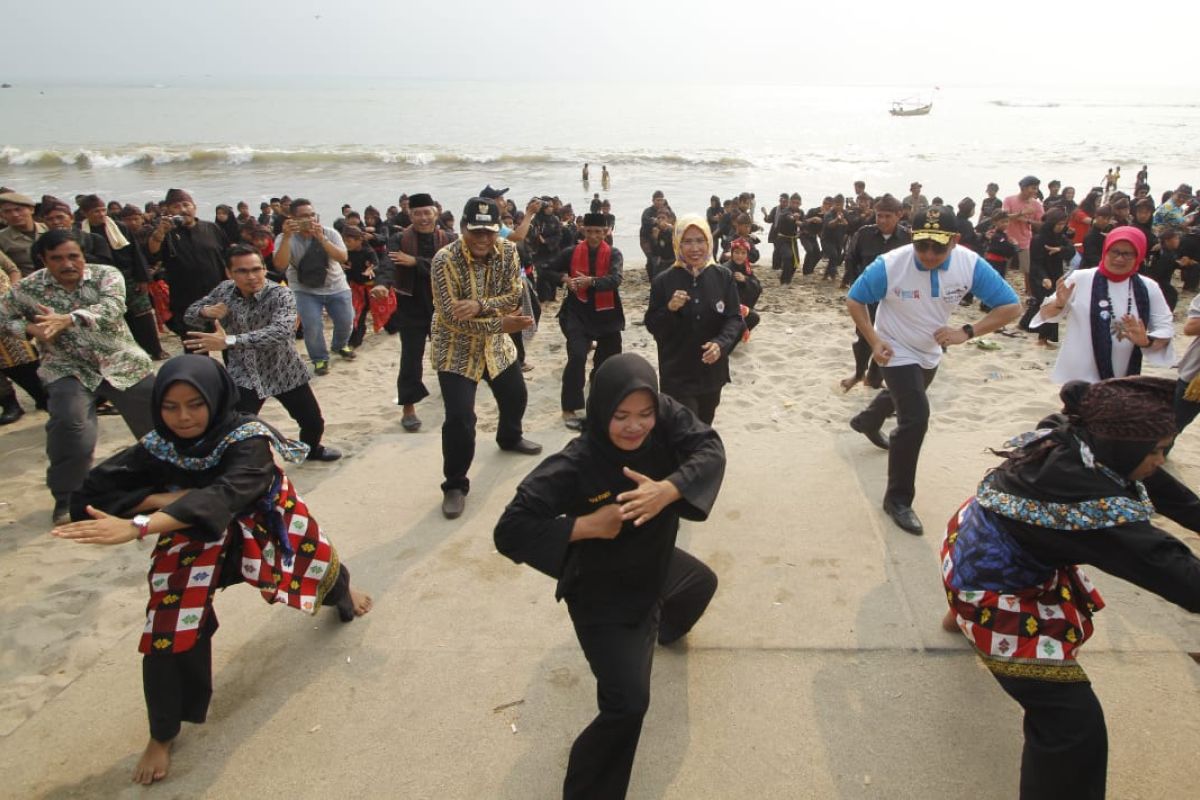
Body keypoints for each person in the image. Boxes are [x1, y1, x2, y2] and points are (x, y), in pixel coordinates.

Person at [51, 355, 371, 785]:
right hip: (191, 531)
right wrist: (159, 500)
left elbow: (230, 492)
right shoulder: (158, 445)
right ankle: (163, 732)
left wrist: (140, 522)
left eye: (195, 404)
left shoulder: (248, 437)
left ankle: (343, 595)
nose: (182, 418)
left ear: (216, 399)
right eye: (170, 407)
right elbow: (89, 497)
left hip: (261, 522)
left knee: (315, 563)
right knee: (167, 624)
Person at [940, 376, 1200, 800]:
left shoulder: (1074, 438)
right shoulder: (1089, 506)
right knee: (1073, 727)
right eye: (1154, 451)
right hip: (985, 592)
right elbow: (1181, 576)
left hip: (963, 538)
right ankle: (971, 625)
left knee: (1039, 557)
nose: (1159, 460)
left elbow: (1166, 492)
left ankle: (958, 621)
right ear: (1125, 448)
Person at [494, 353, 725, 800]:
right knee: (628, 705)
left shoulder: (667, 417)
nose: (635, 426)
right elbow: (509, 530)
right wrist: (585, 526)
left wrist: (668, 489)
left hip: (657, 564)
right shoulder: (576, 462)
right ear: (601, 411)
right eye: (621, 416)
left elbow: (710, 447)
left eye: (644, 414)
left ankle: (664, 627)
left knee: (700, 584)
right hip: (604, 593)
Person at [846, 206, 1021, 535]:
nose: (928, 254)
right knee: (915, 417)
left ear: (954, 241)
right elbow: (855, 299)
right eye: (921, 245)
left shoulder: (970, 264)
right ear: (912, 238)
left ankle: (867, 420)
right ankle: (897, 500)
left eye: (937, 247)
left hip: (931, 349)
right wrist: (874, 340)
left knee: (910, 394)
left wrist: (967, 332)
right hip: (895, 346)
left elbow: (1011, 306)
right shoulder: (890, 265)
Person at [0, 230, 156, 522]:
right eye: (57, 258)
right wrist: (29, 330)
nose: (67, 264)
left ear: (84, 256)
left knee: (160, 427)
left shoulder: (105, 275)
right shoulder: (28, 289)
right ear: (43, 260)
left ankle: (168, 485)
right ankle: (69, 499)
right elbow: (3, 316)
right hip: (67, 368)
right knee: (71, 429)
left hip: (122, 362)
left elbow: (113, 307)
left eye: (74, 256)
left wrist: (68, 319)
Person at [431, 197, 540, 519]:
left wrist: (478, 306)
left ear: (498, 229)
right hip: (455, 348)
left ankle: (509, 437)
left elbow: (514, 296)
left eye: (489, 232)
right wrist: (501, 322)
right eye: (476, 231)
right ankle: (454, 484)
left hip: (495, 345)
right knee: (460, 419)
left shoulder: (508, 250)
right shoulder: (444, 260)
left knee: (516, 396)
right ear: (463, 227)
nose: (482, 238)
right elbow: (450, 317)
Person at [182, 243, 342, 462]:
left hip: (284, 370)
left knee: (312, 422)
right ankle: (233, 464)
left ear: (264, 269)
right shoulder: (223, 291)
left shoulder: (281, 294)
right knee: (234, 427)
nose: (251, 276)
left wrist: (229, 341)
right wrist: (204, 311)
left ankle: (311, 450)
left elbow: (281, 331)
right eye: (242, 271)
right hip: (244, 373)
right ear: (229, 273)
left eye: (256, 269)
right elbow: (189, 315)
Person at [1030, 226, 1173, 384]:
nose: (1119, 259)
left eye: (1127, 254)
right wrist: (1059, 303)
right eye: (1114, 251)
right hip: (1077, 375)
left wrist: (1146, 341)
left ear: (1139, 255)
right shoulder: (1080, 278)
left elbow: (1165, 329)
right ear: (1105, 250)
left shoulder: (1148, 287)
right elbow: (1044, 315)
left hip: (1123, 376)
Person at [645, 215, 745, 425]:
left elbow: (734, 319)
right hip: (677, 372)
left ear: (709, 241)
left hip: (711, 371)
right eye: (687, 241)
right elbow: (653, 324)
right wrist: (669, 309)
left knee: (706, 421)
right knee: (686, 426)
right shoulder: (663, 281)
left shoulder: (723, 276)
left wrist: (720, 344)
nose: (694, 248)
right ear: (677, 243)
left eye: (700, 240)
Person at [374, 193, 457, 431]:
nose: (422, 217)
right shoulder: (399, 238)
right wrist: (382, 284)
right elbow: (388, 264)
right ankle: (408, 407)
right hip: (410, 306)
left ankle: (454, 399)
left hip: (443, 306)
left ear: (436, 213)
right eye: (417, 213)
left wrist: (415, 262)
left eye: (427, 212)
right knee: (410, 358)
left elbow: (452, 267)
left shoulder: (450, 238)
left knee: (448, 355)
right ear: (410, 215)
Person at [544, 212, 625, 430]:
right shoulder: (571, 252)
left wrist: (591, 281)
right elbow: (546, 268)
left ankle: (599, 391)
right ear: (582, 230)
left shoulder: (614, 254)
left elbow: (615, 280)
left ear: (606, 232)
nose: (593, 236)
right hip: (577, 313)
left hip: (606, 314)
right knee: (577, 356)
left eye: (598, 232)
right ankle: (570, 407)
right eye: (589, 231)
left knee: (608, 361)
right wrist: (565, 279)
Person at [272, 198, 353, 375]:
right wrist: (286, 237)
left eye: (312, 215)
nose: (309, 219)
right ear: (292, 218)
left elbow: (342, 257)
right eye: (303, 216)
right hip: (303, 288)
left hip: (336, 284)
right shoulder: (284, 238)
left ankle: (339, 345)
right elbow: (279, 265)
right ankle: (319, 359)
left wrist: (322, 239)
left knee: (346, 321)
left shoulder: (330, 233)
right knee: (312, 325)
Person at [78, 194, 164, 359]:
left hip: (129, 277)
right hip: (100, 282)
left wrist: (143, 278)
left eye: (103, 210)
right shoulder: (81, 233)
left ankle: (155, 351)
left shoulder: (119, 227)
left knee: (143, 316)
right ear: (85, 213)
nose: (101, 214)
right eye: (96, 211)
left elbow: (136, 253)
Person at [840, 195, 911, 391]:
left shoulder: (908, 238)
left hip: (896, 299)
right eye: (879, 215)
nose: (882, 221)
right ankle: (858, 372)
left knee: (889, 339)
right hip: (868, 297)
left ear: (899, 215)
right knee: (863, 337)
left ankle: (874, 377)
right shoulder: (864, 234)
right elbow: (851, 259)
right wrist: (857, 286)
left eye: (887, 216)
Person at [148, 189, 228, 338]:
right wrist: (160, 232)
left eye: (186, 205)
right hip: (186, 301)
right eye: (176, 206)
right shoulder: (165, 233)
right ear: (169, 211)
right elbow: (152, 254)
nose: (183, 210)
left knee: (227, 343)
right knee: (195, 348)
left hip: (219, 296)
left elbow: (227, 258)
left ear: (194, 207)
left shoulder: (212, 228)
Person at [1019, 208, 1072, 348]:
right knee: (1048, 304)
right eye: (1059, 224)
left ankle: (1026, 324)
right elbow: (1035, 262)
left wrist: (1060, 249)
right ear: (1051, 223)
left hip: (1056, 275)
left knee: (1047, 303)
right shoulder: (1038, 239)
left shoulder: (1061, 237)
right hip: (1040, 276)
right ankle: (1042, 339)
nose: (1061, 227)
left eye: (1063, 224)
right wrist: (1044, 278)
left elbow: (1071, 251)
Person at [0, 265, 46, 423]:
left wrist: (9, 294)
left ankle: (43, 396)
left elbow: (12, 269)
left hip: (4, 307)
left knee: (18, 355)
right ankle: (9, 404)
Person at [1002, 176, 1045, 298]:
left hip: (1025, 240)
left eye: (1036, 188)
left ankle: (1030, 293)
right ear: (1024, 188)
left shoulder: (1036, 204)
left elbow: (1042, 224)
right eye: (1033, 188)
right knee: (1003, 267)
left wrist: (1027, 221)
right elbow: (1003, 217)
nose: (1035, 191)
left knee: (1027, 270)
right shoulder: (1009, 200)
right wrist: (1022, 213)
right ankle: (1000, 290)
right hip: (1007, 238)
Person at [0, 191, 47, 277]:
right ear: (2, 215)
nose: (14, 215)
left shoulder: (48, 229)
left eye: (18, 209)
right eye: (7, 211)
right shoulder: (2, 239)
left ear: (31, 210)